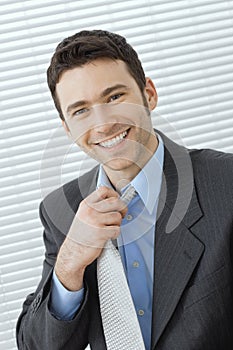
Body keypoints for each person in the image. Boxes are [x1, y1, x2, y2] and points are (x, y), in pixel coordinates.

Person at [16, 30, 233, 350]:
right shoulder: (61, 208)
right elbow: (36, 345)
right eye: (80, 111)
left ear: (149, 94)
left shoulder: (225, 182)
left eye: (115, 97)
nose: (103, 125)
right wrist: (70, 263)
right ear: (67, 127)